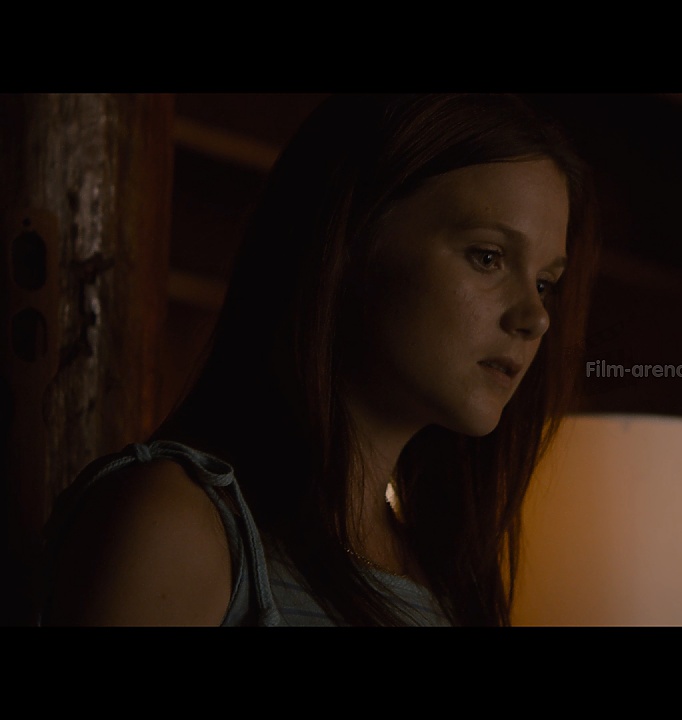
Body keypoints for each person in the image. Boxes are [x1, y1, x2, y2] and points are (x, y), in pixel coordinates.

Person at [39, 94, 600, 626]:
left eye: (545, 283)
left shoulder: (445, 580)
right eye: (488, 257)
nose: (535, 317)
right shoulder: (181, 524)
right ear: (349, 236)